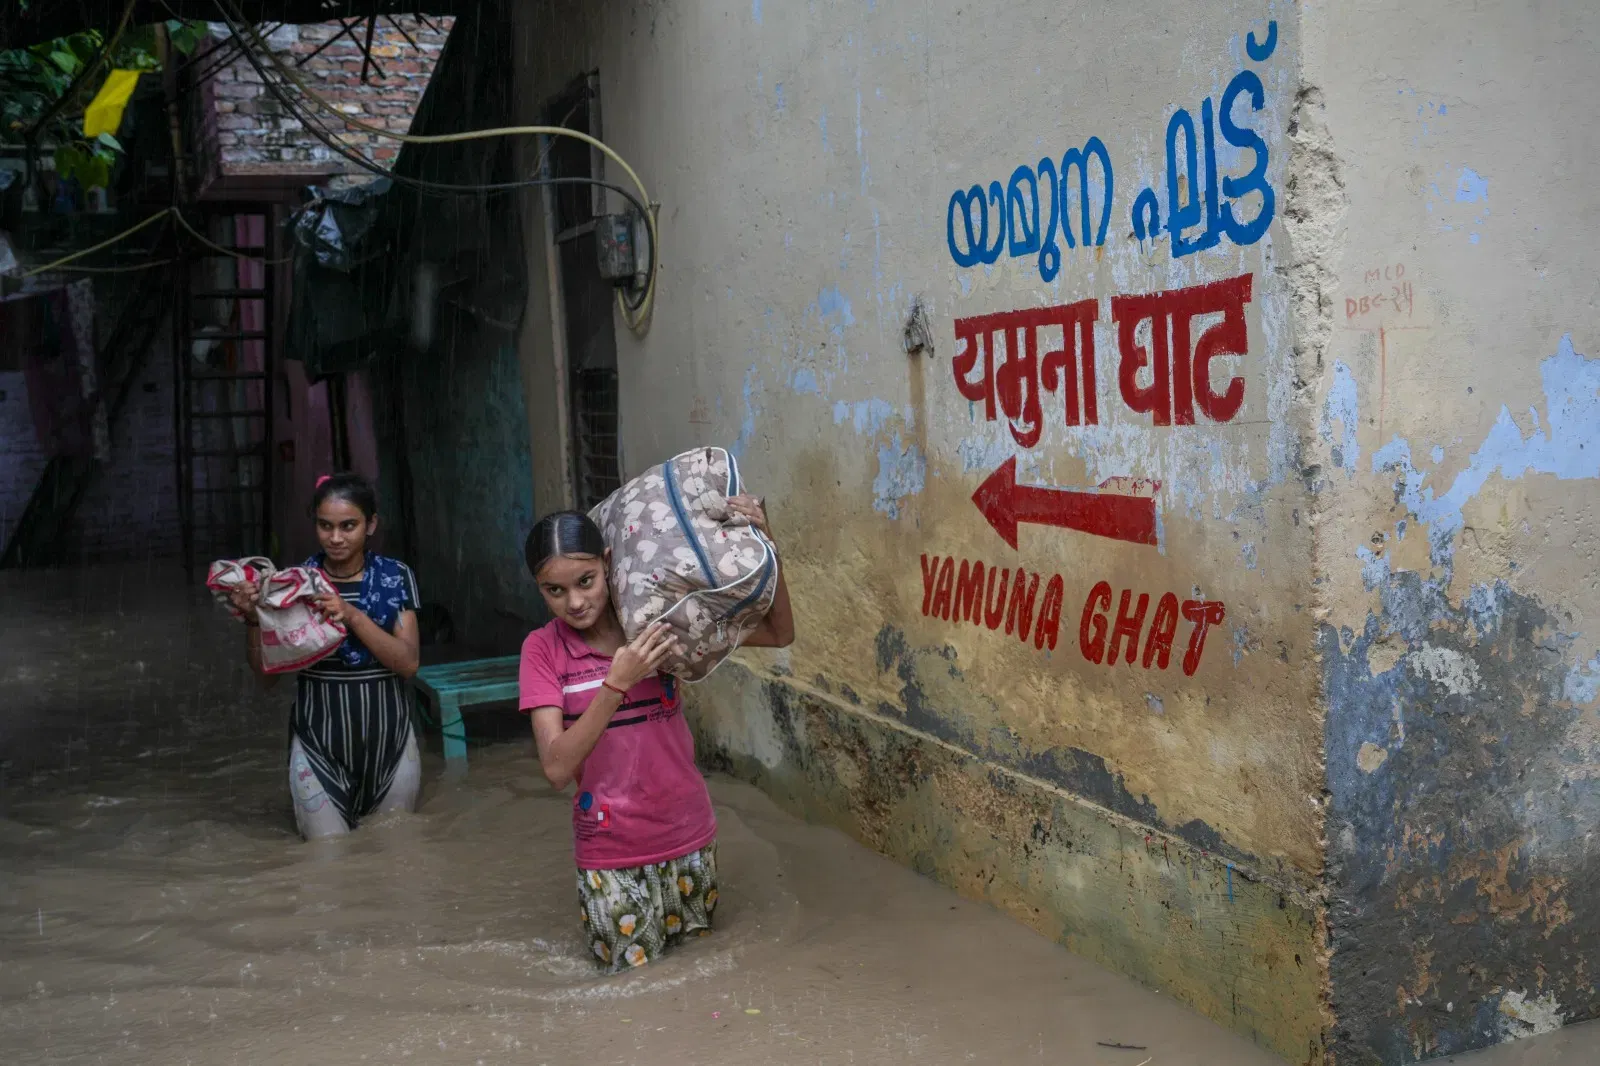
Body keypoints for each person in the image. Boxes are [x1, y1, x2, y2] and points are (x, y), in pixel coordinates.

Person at [519, 499, 794, 972]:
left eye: (585, 581)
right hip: (610, 853)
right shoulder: (542, 650)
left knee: (695, 978)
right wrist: (616, 684)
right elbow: (557, 768)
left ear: (608, 563)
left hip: (690, 837)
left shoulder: (659, 623)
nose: (575, 602)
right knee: (628, 992)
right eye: (555, 590)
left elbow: (778, 631)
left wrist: (767, 546)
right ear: (539, 589)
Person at [227, 472, 423, 840]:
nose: (335, 538)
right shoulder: (294, 586)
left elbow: (408, 664)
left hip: (391, 744)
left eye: (348, 526)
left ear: (371, 525)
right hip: (318, 746)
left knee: (398, 856)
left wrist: (350, 615)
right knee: (327, 860)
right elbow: (266, 678)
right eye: (325, 526)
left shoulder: (396, 578)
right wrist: (255, 619)